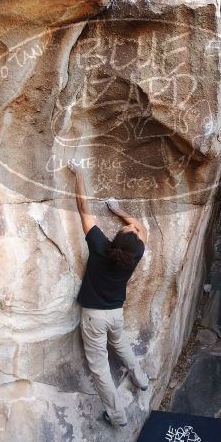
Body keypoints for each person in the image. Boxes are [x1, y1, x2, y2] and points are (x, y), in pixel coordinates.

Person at [67, 163, 150, 427]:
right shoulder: (135, 255)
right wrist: (119, 211)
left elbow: (84, 209)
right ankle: (141, 378)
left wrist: (80, 175)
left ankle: (116, 414)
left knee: (100, 367)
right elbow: (141, 229)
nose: (132, 228)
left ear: (116, 239)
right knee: (121, 343)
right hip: (115, 312)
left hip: (94, 316)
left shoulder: (101, 246)